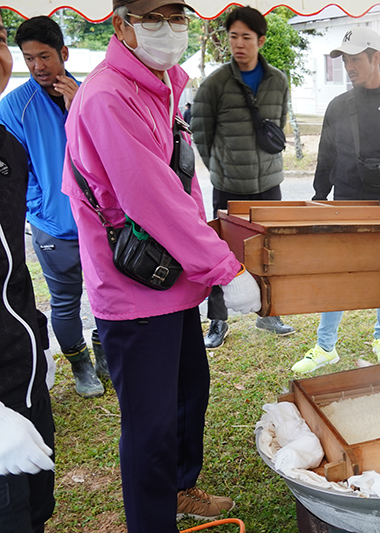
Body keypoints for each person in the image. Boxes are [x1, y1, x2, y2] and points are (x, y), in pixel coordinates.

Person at [62, 1, 263, 531]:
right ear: (122, 22)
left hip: (173, 282)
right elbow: (151, 198)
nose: (169, 27)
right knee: (149, 425)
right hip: (133, 290)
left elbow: (183, 176)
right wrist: (226, 269)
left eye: (177, 14)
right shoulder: (108, 95)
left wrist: (206, 255)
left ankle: (179, 488)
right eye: (154, 16)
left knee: (188, 393)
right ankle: (153, 522)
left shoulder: (164, 82)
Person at [293, 27, 380, 373]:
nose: (349, 66)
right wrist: (320, 196)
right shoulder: (339, 105)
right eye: (345, 59)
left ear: (376, 58)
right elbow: (326, 154)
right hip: (344, 199)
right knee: (337, 271)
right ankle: (325, 346)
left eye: (356, 59)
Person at [0, 16, 107, 398]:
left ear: (64, 52)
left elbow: (110, 150)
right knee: (65, 301)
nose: (37, 67)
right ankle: (80, 366)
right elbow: (15, 170)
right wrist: (39, 209)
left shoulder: (92, 93)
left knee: (107, 295)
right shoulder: (14, 106)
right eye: (28, 59)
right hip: (53, 227)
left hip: (102, 222)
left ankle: (105, 355)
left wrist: (80, 106)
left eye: (44, 56)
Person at [192, 5, 294, 348]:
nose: (239, 43)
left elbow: (278, 125)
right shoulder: (215, 83)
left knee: (270, 250)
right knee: (221, 253)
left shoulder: (278, 81)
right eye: (233, 36)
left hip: (268, 184)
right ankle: (217, 321)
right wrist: (220, 167)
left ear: (260, 40)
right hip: (228, 187)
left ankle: (269, 313)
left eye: (246, 37)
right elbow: (201, 134)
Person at [0, 20, 56, 533]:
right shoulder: (15, 110)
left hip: (21, 363)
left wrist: (35, 340)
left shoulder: (2, 144)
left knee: (37, 503)